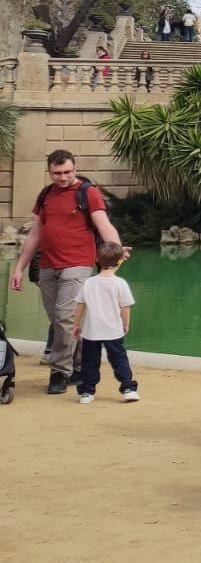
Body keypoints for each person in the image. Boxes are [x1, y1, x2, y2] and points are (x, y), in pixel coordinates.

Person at [9, 149, 124, 396]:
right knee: (60, 321)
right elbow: (35, 235)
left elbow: (104, 225)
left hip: (78, 264)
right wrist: (19, 268)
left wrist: (116, 251)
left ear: (75, 168)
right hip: (48, 266)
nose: (63, 177)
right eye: (57, 173)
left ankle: (59, 372)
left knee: (64, 317)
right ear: (49, 171)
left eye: (67, 172)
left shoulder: (87, 192)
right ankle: (80, 365)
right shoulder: (45, 195)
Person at [72, 241, 139, 403]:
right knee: (119, 360)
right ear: (119, 262)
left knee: (89, 362)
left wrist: (76, 325)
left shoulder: (89, 282)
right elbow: (125, 307)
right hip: (113, 330)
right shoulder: (120, 283)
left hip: (91, 331)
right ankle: (128, 388)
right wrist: (125, 324)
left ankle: (87, 392)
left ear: (97, 260)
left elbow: (80, 305)